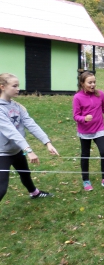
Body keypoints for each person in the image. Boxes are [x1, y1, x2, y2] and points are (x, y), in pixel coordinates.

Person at [0, 73, 59, 202]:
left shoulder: (17, 106)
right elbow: (11, 132)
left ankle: (34, 193)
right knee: (1, 189)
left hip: (16, 150)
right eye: (14, 86)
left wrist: (47, 142)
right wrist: (29, 151)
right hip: (2, 153)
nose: (18, 89)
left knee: (25, 174)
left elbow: (31, 124)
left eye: (18, 86)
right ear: (2, 87)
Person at [73, 71, 104, 191]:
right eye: (89, 82)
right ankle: (86, 180)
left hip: (99, 129)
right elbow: (76, 116)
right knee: (85, 155)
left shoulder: (100, 94)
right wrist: (84, 119)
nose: (93, 85)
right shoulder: (77, 97)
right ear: (82, 83)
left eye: (94, 82)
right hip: (85, 131)